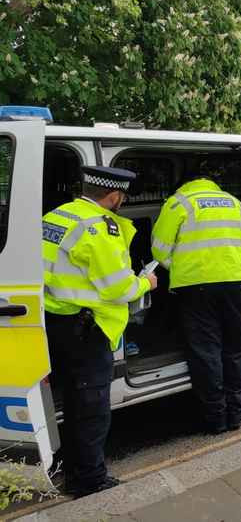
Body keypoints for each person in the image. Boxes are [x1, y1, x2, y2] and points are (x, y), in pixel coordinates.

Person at [43, 166, 158, 498]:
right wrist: (145, 282)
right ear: (113, 196)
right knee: (91, 408)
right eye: (121, 197)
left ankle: (68, 466)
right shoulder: (100, 227)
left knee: (72, 400)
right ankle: (88, 479)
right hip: (87, 328)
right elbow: (117, 288)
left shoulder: (58, 215)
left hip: (56, 320)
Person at [151, 172, 241, 434]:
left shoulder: (177, 203)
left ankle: (216, 418)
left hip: (195, 286)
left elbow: (159, 249)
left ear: (184, 185)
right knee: (236, 347)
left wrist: (181, 269)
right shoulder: (234, 202)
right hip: (237, 281)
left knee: (206, 350)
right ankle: (237, 413)